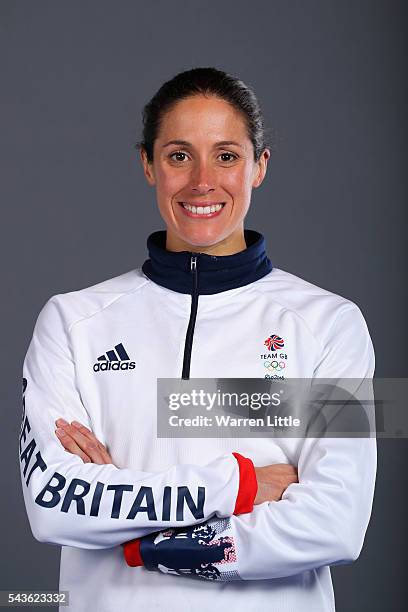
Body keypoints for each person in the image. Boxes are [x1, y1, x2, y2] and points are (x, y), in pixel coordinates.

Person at [19, 67, 376, 612]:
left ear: (260, 166)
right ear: (148, 164)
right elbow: (53, 506)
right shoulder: (71, 321)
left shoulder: (332, 324)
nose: (202, 181)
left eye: (227, 155)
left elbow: (336, 523)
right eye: (179, 155)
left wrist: (138, 536)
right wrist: (242, 486)